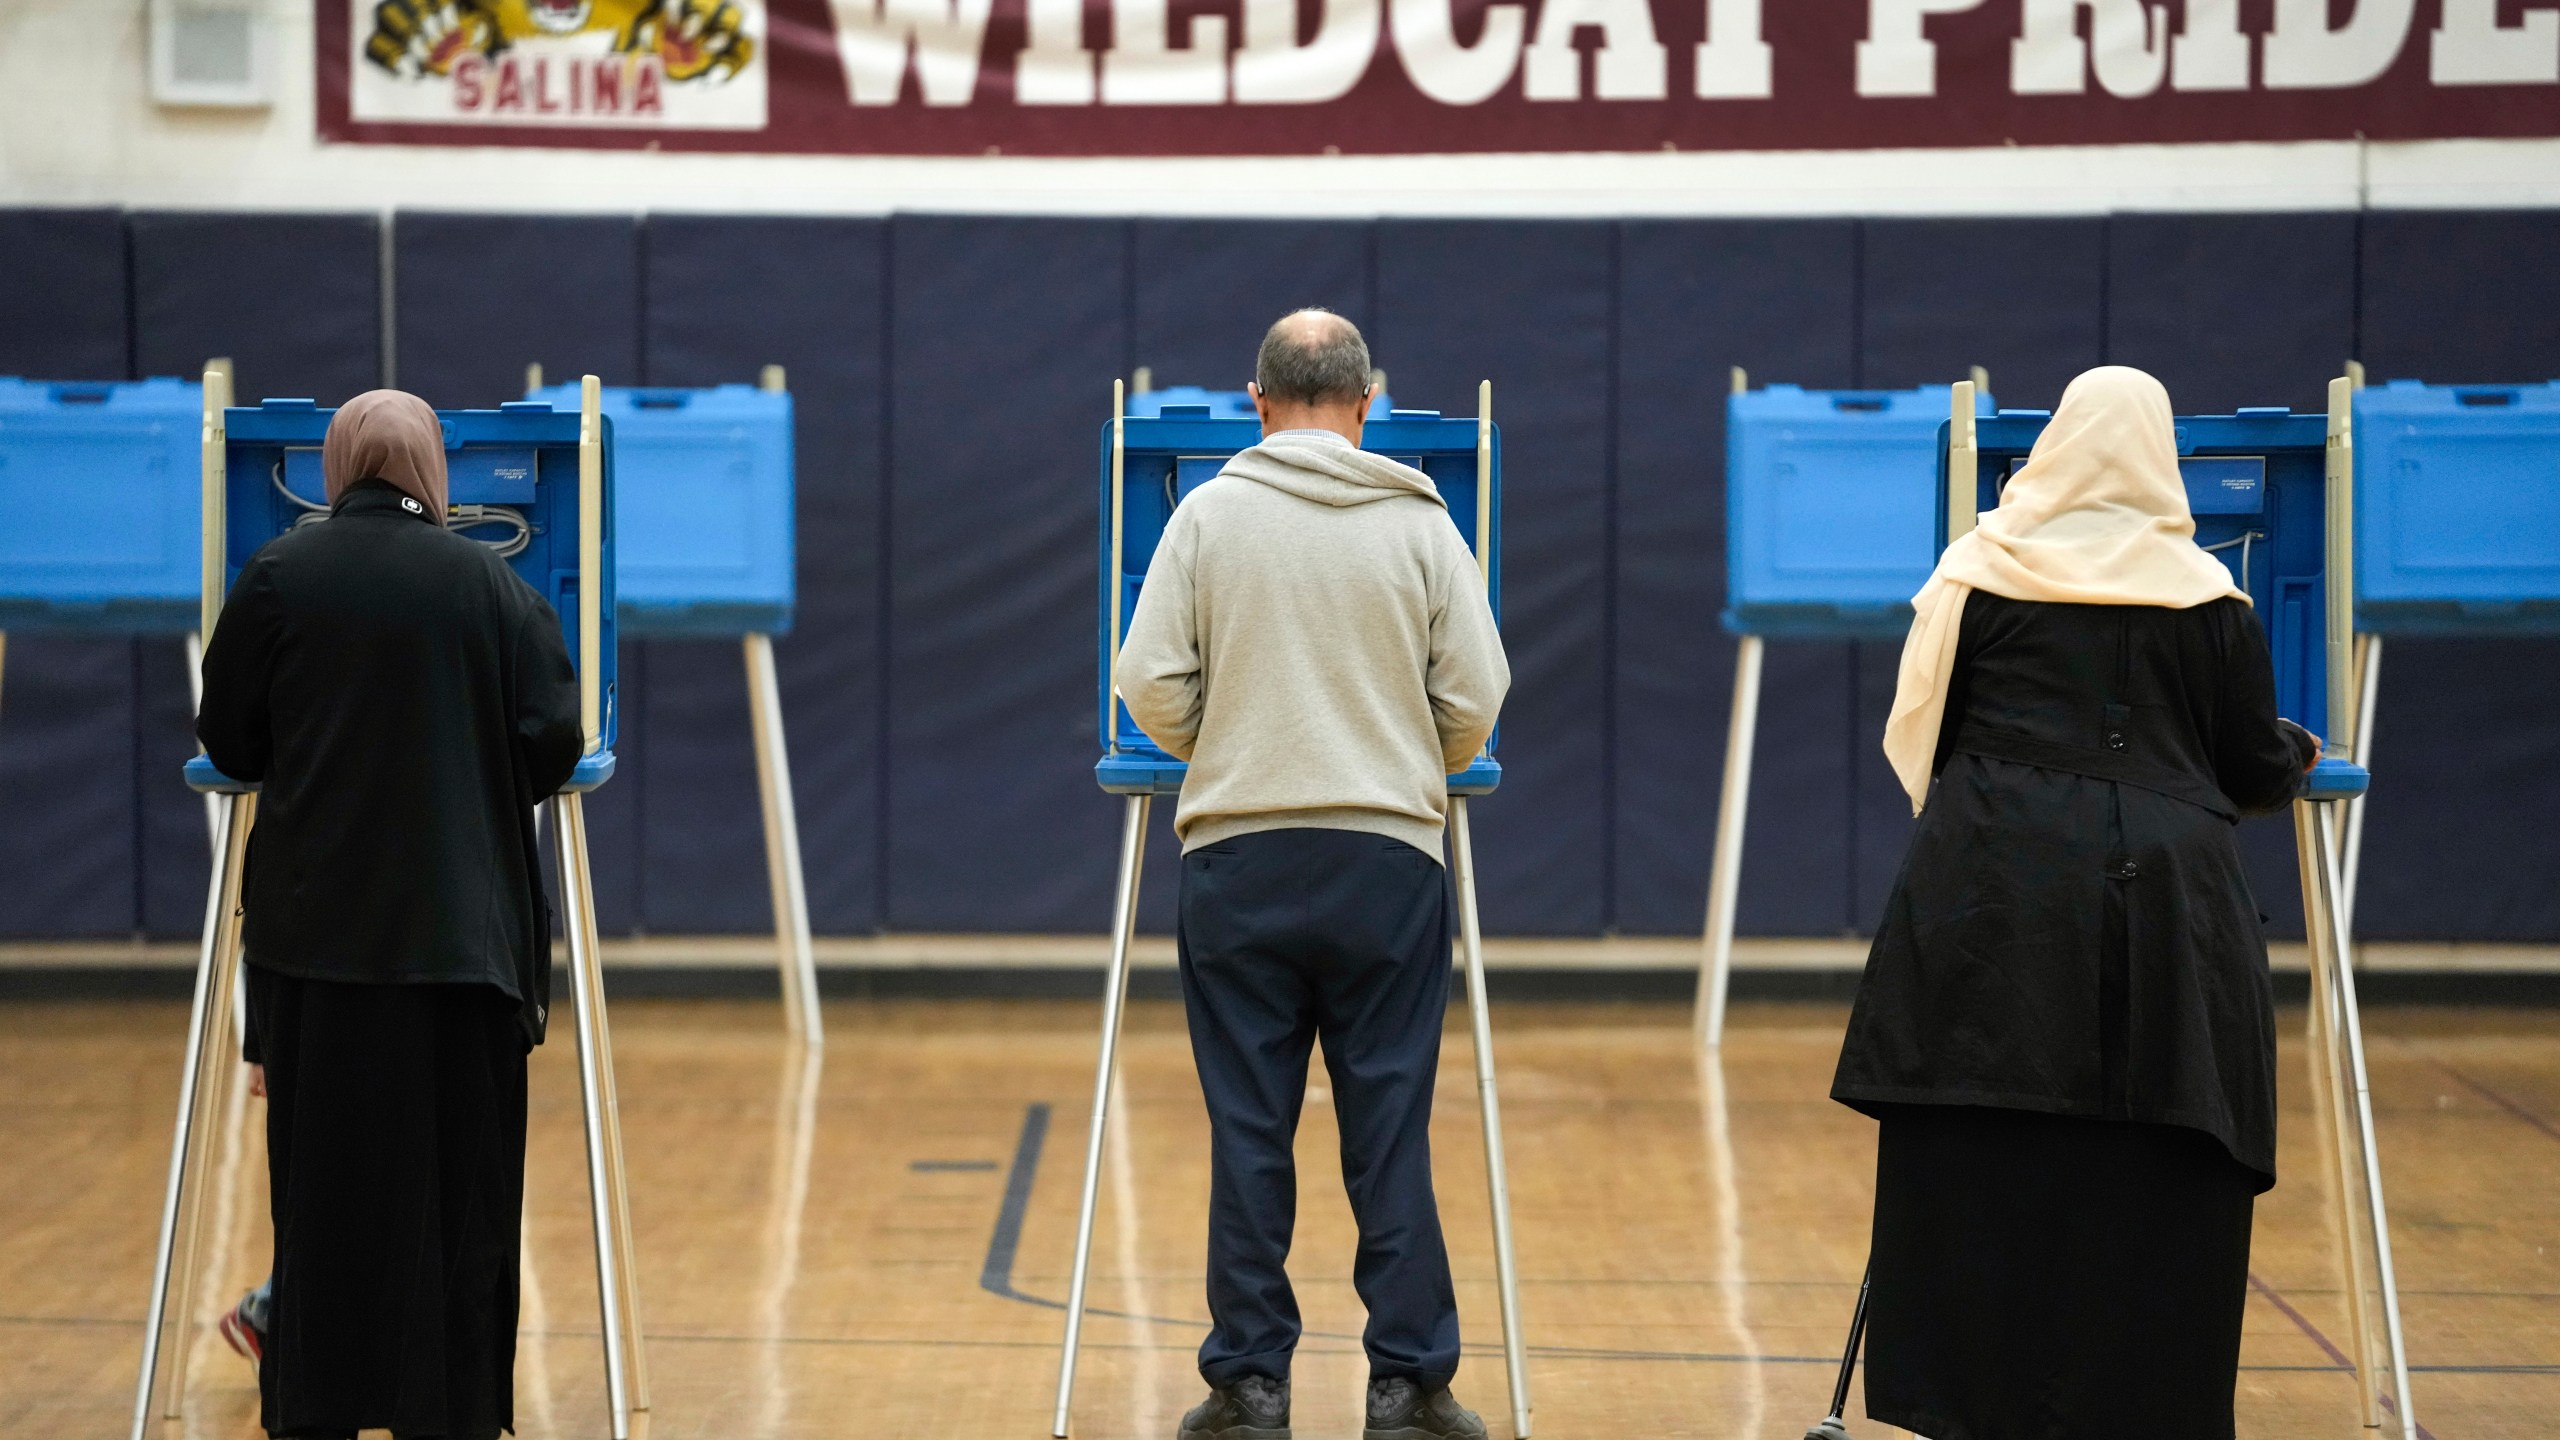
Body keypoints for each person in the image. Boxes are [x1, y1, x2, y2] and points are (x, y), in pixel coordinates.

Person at [1829, 366, 2322, 1440]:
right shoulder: (2208, 599)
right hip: (2168, 901)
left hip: (1990, 882)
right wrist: (2299, 751)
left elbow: (1928, 736)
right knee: (2152, 1154)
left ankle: (1968, 1406)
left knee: (1982, 1139)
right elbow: (2246, 765)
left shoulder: (1980, 576)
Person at [1115, 310, 1510, 1440]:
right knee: (1388, 1126)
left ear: (1257, 401)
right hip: (1386, 858)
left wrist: (1228, 743)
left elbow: (1148, 684)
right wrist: (1401, 760)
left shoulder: (1204, 516)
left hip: (1237, 856)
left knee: (1248, 1128)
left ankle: (1248, 1387)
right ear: (1366, 403)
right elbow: (1475, 694)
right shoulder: (1422, 523)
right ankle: (1408, 1386)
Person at [198, 389, 584, 1440]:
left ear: (335, 466)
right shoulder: (493, 587)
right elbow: (555, 742)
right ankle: (448, 1413)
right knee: (459, 1211)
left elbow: (228, 743)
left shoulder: (278, 576)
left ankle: (318, 1409)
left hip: (314, 955)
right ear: (430, 470)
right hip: (464, 955)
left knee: (322, 1207)